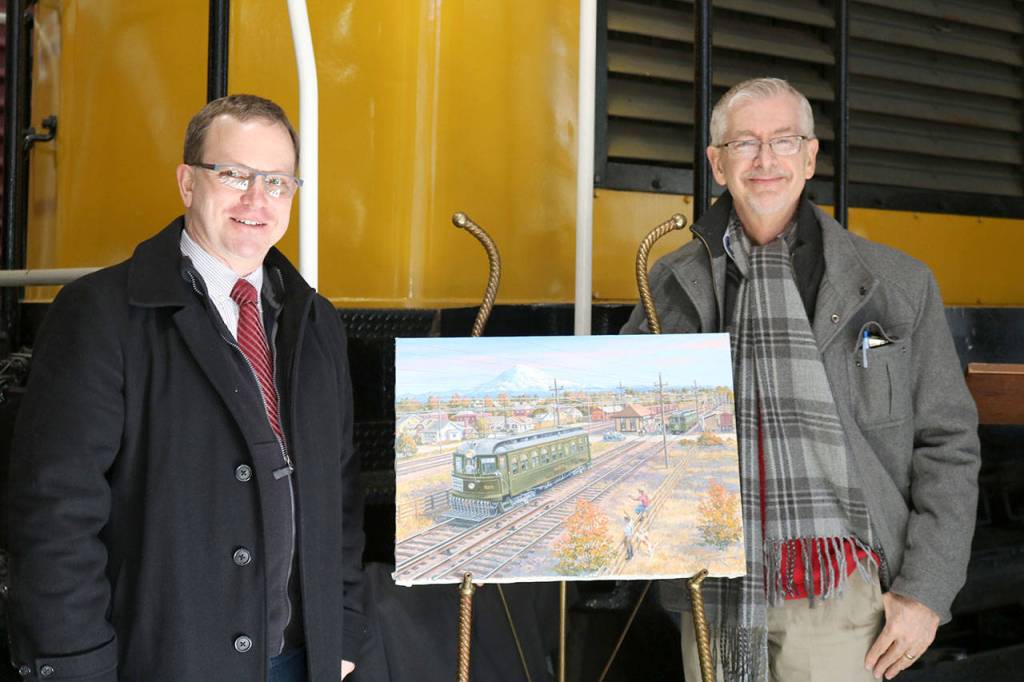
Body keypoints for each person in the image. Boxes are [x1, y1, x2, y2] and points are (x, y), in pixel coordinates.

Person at [622, 78, 979, 681]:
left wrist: (925, 592)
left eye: (784, 141)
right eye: (744, 144)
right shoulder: (670, 285)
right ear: (717, 164)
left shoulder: (897, 285)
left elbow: (947, 444)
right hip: (713, 589)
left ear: (810, 158)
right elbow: (624, 428)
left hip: (844, 589)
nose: (765, 160)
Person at [5, 95, 366, 681]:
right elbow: (55, 518)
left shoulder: (315, 321)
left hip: (301, 661)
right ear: (188, 182)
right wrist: (75, 668)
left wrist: (343, 630)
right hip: (164, 662)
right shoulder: (100, 315)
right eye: (234, 174)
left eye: (276, 182)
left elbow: (341, 494)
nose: (256, 199)